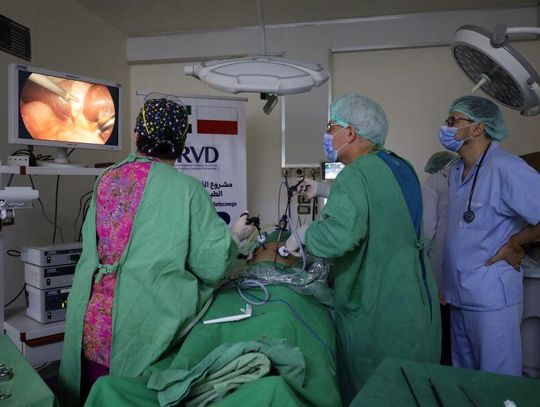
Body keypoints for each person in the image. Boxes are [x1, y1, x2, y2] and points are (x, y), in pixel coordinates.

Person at [59, 96, 253, 406]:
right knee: (128, 396)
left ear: (137, 135)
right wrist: (234, 237)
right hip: (142, 326)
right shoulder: (186, 190)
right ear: (181, 143)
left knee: (96, 395)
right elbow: (213, 265)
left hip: (92, 319)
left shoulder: (107, 178)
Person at [286, 94, 440, 403]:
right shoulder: (400, 166)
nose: (327, 135)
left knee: (376, 393)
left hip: (377, 308)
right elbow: (380, 204)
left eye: (331, 127)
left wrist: (305, 235)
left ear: (350, 132)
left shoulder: (355, 174)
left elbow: (340, 236)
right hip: (414, 298)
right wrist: (324, 189)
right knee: (412, 390)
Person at [439, 95, 540, 376]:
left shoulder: (507, 168)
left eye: (453, 121)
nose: (446, 127)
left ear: (478, 127)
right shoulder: (456, 171)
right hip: (458, 298)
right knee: (465, 381)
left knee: (497, 384)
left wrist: (515, 242)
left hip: (491, 301)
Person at [422, 151, 457, 365]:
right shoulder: (466, 178)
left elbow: (427, 230)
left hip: (439, 264)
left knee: (442, 323)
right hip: (466, 269)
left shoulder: (434, 182)